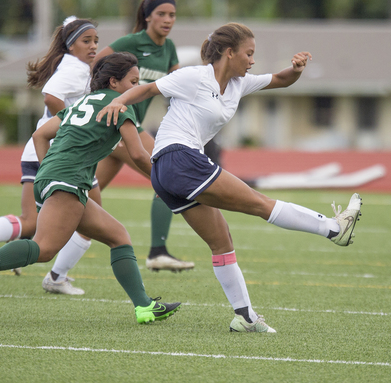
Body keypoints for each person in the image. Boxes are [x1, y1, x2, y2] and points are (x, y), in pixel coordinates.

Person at [97, 22, 362, 333]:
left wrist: (297, 69)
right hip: (178, 158)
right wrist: (118, 101)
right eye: (248, 54)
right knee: (260, 204)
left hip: (168, 171)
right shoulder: (195, 76)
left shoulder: (239, 83)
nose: (252, 61)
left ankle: (245, 317)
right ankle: (333, 229)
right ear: (228, 52)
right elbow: (147, 89)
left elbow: (281, 80)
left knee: (222, 241)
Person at [0, 52, 181, 325]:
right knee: (44, 249)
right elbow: (139, 155)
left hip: (53, 177)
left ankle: (144, 307)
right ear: (114, 82)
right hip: (67, 181)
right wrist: (166, 183)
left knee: (118, 235)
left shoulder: (82, 102)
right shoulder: (119, 106)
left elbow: (40, 134)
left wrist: (50, 167)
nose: (136, 88)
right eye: (133, 81)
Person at [46, 0, 196, 285]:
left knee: (81, 201)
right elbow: (93, 68)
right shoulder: (130, 44)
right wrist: (93, 107)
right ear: (147, 15)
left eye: (172, 15)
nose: (167, 20)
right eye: (162, 14)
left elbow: (179, 86)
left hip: (121, 132)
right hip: (121, 125)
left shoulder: (170, 50)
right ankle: (158, 251)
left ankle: (41, 260)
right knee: (166, 175)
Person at [0, 16, 103, 295]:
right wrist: (73, 127)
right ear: (71, 45)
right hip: (56, 153)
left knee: (37, 220)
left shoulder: (73, 65)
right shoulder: (75, 70)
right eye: (87, 41)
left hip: (47, 152)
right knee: (89, 222)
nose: (94, 46)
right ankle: (56, 277)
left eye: (96, 40)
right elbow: (51, 96)